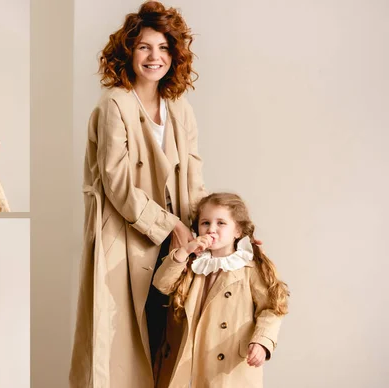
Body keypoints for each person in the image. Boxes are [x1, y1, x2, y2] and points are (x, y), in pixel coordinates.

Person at [70, 2, 207, 387]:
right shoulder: (115, 103)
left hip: (177, 234)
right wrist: (170, 227)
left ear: (174, 55)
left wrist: (205, 230)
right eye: (144, 47)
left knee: (171, 333)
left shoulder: (181, 108)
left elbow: (194, 177)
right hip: (127, 235)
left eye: (163, 48)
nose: (154, 57)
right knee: (123, 343)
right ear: (128, 51)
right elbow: (116, 183)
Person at [152, 193, 289, 387]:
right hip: (193, 357)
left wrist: (262, 342)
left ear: (238, 230)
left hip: (228, 361)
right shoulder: (195, 262)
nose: (212, 229)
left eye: (221, 223)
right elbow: (162, 284)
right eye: (205, 223)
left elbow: (272, 308)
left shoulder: (249, 266)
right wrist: (184, 251)